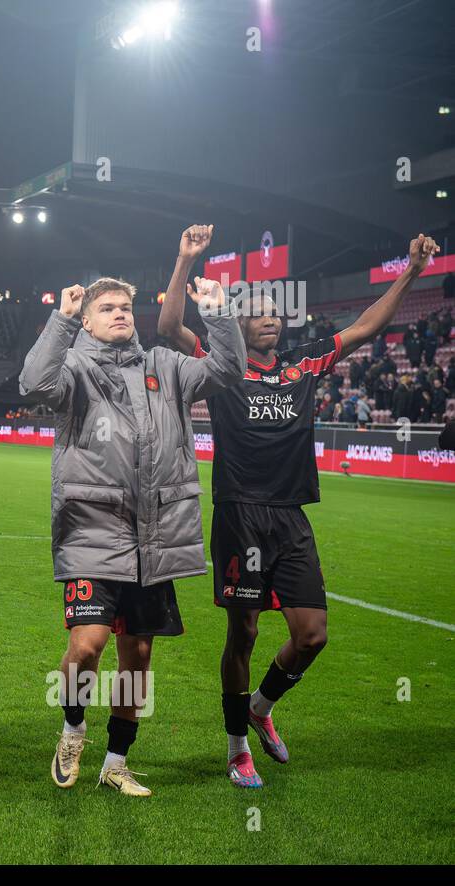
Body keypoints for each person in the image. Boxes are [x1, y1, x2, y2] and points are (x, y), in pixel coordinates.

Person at [158, 229, 439, 788]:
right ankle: (238, 747)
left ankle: (261, 708)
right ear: (237, 324)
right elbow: (167, 327)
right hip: (240, 512)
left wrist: (411, 271)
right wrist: (185, 261)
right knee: (243, 635)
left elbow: (366, 327)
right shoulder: (221, 363)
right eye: (258, 315)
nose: (270, 321)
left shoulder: (306, 363)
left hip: (291, 515)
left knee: (312, 634)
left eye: (274, 315)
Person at [21, 238, 245, 798]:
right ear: (88, 322)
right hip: (93, 529)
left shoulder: (165, 366)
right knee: (87, 646)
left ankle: (116, 761)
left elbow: (228, 370)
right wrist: (60, 322)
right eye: (107, 308)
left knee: (138, 657)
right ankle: (73, 727)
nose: (120, 313)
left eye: (125, 307)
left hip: (156, 534)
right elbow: (33, 384)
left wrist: (217, 314)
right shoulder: (72, 367)